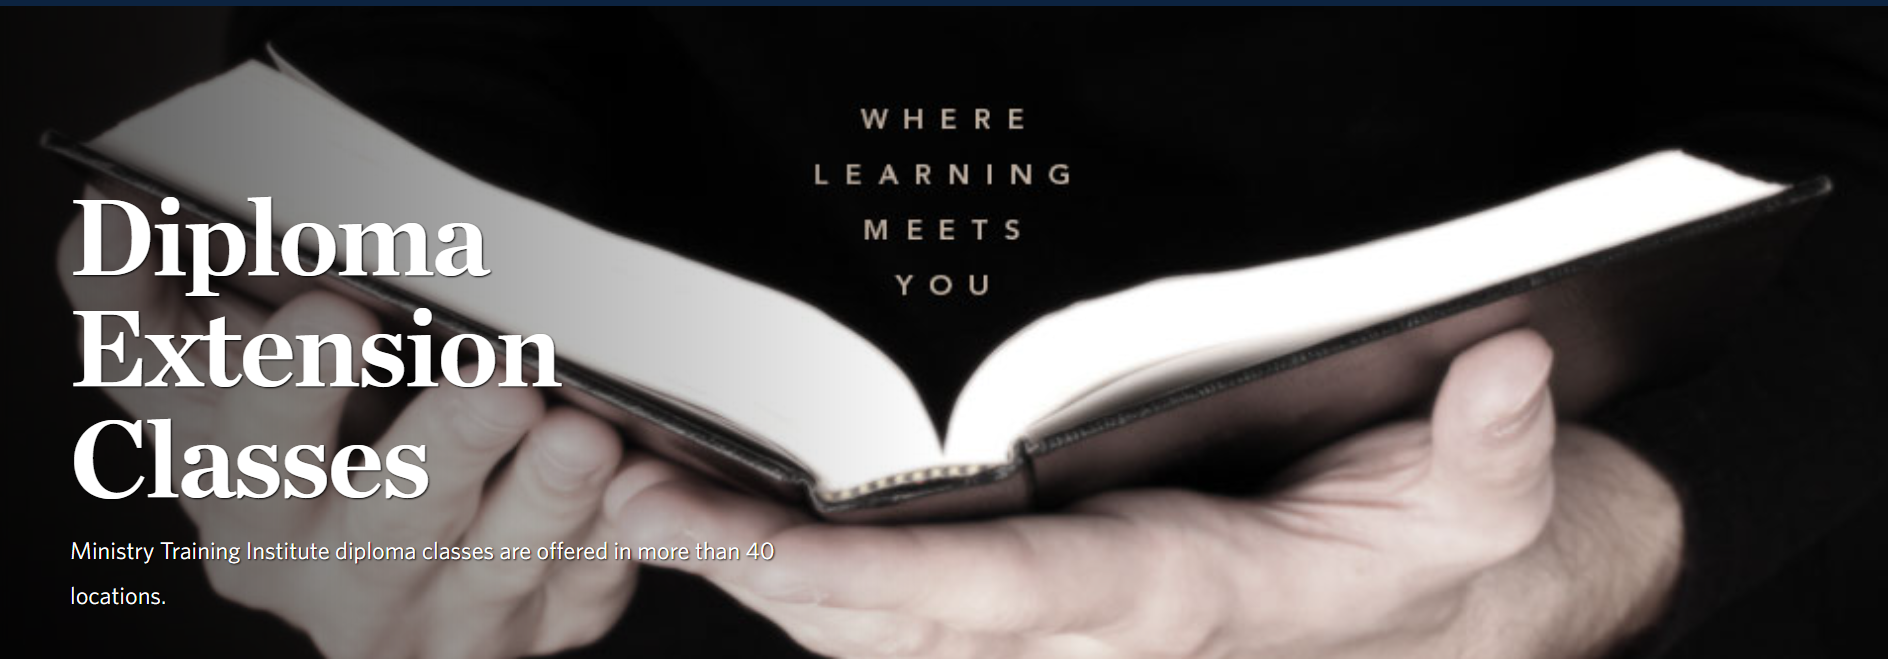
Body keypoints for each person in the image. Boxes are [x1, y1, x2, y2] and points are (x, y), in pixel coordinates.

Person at [60, 8, 1886, 657]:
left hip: (1635, 539)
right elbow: (431, 52)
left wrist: (1581, 559)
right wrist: (370, 426)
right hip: (678, 576)